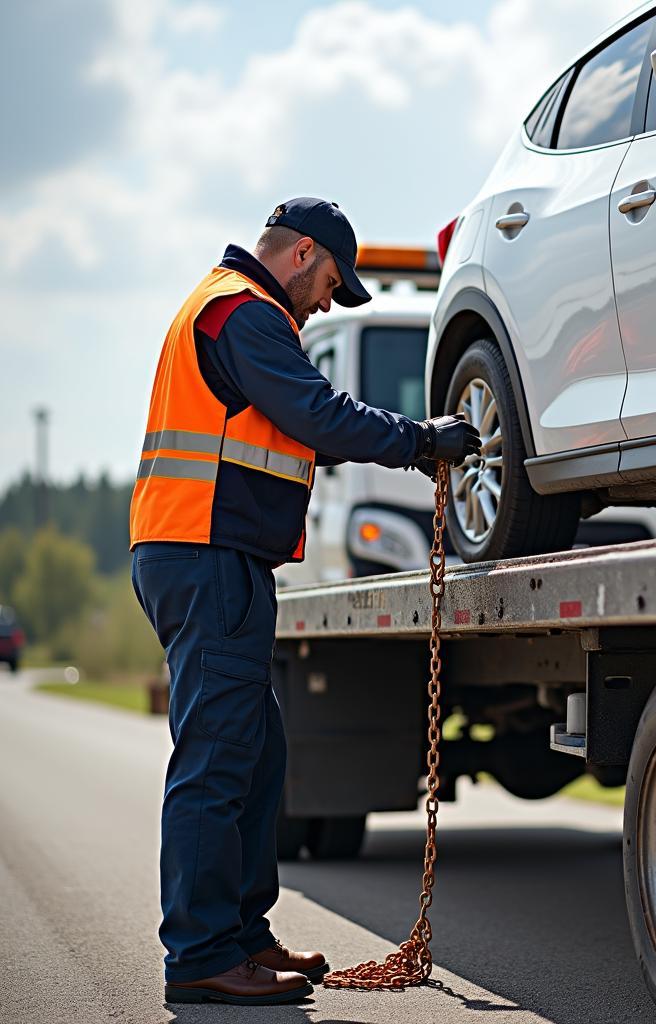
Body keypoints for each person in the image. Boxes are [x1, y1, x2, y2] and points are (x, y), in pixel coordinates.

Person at [128, 197, 480, 1006]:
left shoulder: (230, 310)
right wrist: (422, 441)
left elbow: (298, 425)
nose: (326, 300)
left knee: (257, 753)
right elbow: (318, 414)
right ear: (302, 254)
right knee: (218, 760)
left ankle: (242, 936)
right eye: (330, 282)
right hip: (204, 553)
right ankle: (201, 952)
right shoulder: (244, 315)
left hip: (207, 554)